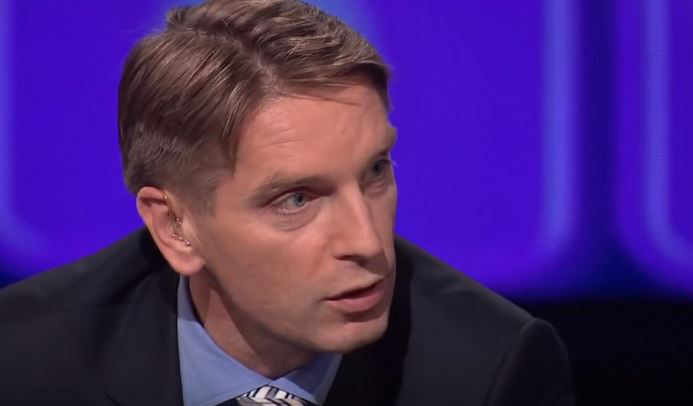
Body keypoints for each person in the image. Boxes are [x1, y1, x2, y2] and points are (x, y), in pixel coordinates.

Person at [0, 1, 575, 405]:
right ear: (176, 226)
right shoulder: (24, 361)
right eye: (296, 199)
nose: (367, 242)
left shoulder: (491, 372)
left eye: (375, 171)